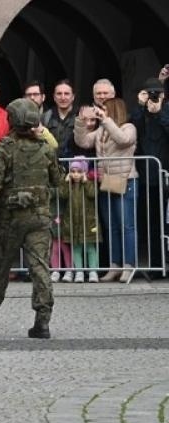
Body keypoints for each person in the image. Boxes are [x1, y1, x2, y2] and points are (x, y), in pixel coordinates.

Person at [0, 98, 64, 337]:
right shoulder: (45, 148)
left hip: (8, 219)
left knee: (1, 268)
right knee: (40, 268)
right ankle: (42, 321)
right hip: (39, 218)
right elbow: (58, 180)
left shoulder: (4, 149)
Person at [73, 81, 138, 282]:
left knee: (127, 225)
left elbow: (123, 140)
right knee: (111, 226)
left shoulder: (129, 127)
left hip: (126, 181)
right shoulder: (102, 131)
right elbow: (83, 141)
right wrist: (81, 122)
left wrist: (106, 121)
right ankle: (114, 265)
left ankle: (129, 265)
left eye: (106, 109)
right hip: (106, 181)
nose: (102, 111)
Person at [129, 78, 169, 277]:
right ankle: (156, 265)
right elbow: (132, 130)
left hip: (166, 176)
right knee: (152, 223)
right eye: (150, 94)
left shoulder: (167, 111)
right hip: (148, 179)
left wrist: (160, 113)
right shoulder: (140, 114)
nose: (154, 98)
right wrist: (140, 106)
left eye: (157, 94)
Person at [57, 157, 99, 283]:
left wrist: (86, 182)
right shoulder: (69, 184)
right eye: (73, 171)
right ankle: (79, 271)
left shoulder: (89, 182)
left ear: (84, 172)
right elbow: (62, 195)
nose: (75, 174)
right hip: (73, 222)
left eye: (79, 171)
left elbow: (93, 194)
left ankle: (93, 271)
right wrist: (65, 182)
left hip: (88, 222)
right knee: (76, 248)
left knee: (90, 247)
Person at [44, 79, 80, 159]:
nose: (63, 97)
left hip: (75, 167)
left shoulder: (80, 115)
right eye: (59, 94)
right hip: (52, 165)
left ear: (73, 97)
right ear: (54, 97)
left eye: (66, 94)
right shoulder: (46, 117)